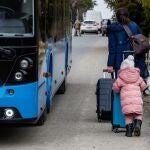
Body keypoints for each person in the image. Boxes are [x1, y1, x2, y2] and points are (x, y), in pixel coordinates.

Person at [107, 7, 149, 82]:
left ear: (117, 17)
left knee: (120, 83)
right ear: (128, 15)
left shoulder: (113, 28)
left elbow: (112, 47)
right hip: (135, 59)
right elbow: (140, 42)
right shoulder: (134, 26)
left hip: (119, 61)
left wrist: (110, 64)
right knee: (135, 83)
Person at [112, 55, 147, 137]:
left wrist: (117, 90)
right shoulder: (138, 76)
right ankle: (138, 125)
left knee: (128, 117)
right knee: (138, 114)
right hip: (137, 101)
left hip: (126, 103)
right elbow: (143, 86)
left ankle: (129, 131)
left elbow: (115, 88)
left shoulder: (120, 77)